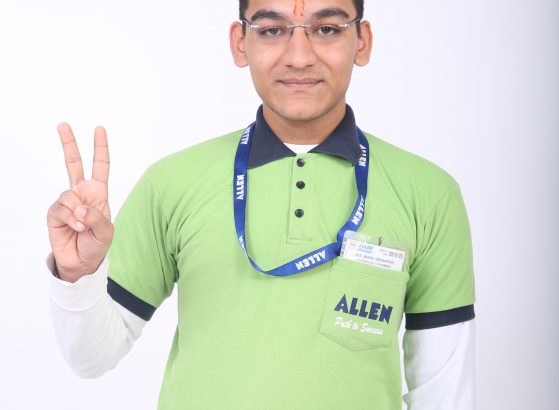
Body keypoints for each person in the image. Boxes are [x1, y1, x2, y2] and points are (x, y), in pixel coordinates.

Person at [47, 0, 476, 409]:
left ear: (361, 42)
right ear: (240, 43)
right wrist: (78, 273)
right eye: (272, 30)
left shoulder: (429, 194)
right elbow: (90, 358)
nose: (299, 57)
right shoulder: (171, 183)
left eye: (327, 29)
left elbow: (443, 394)